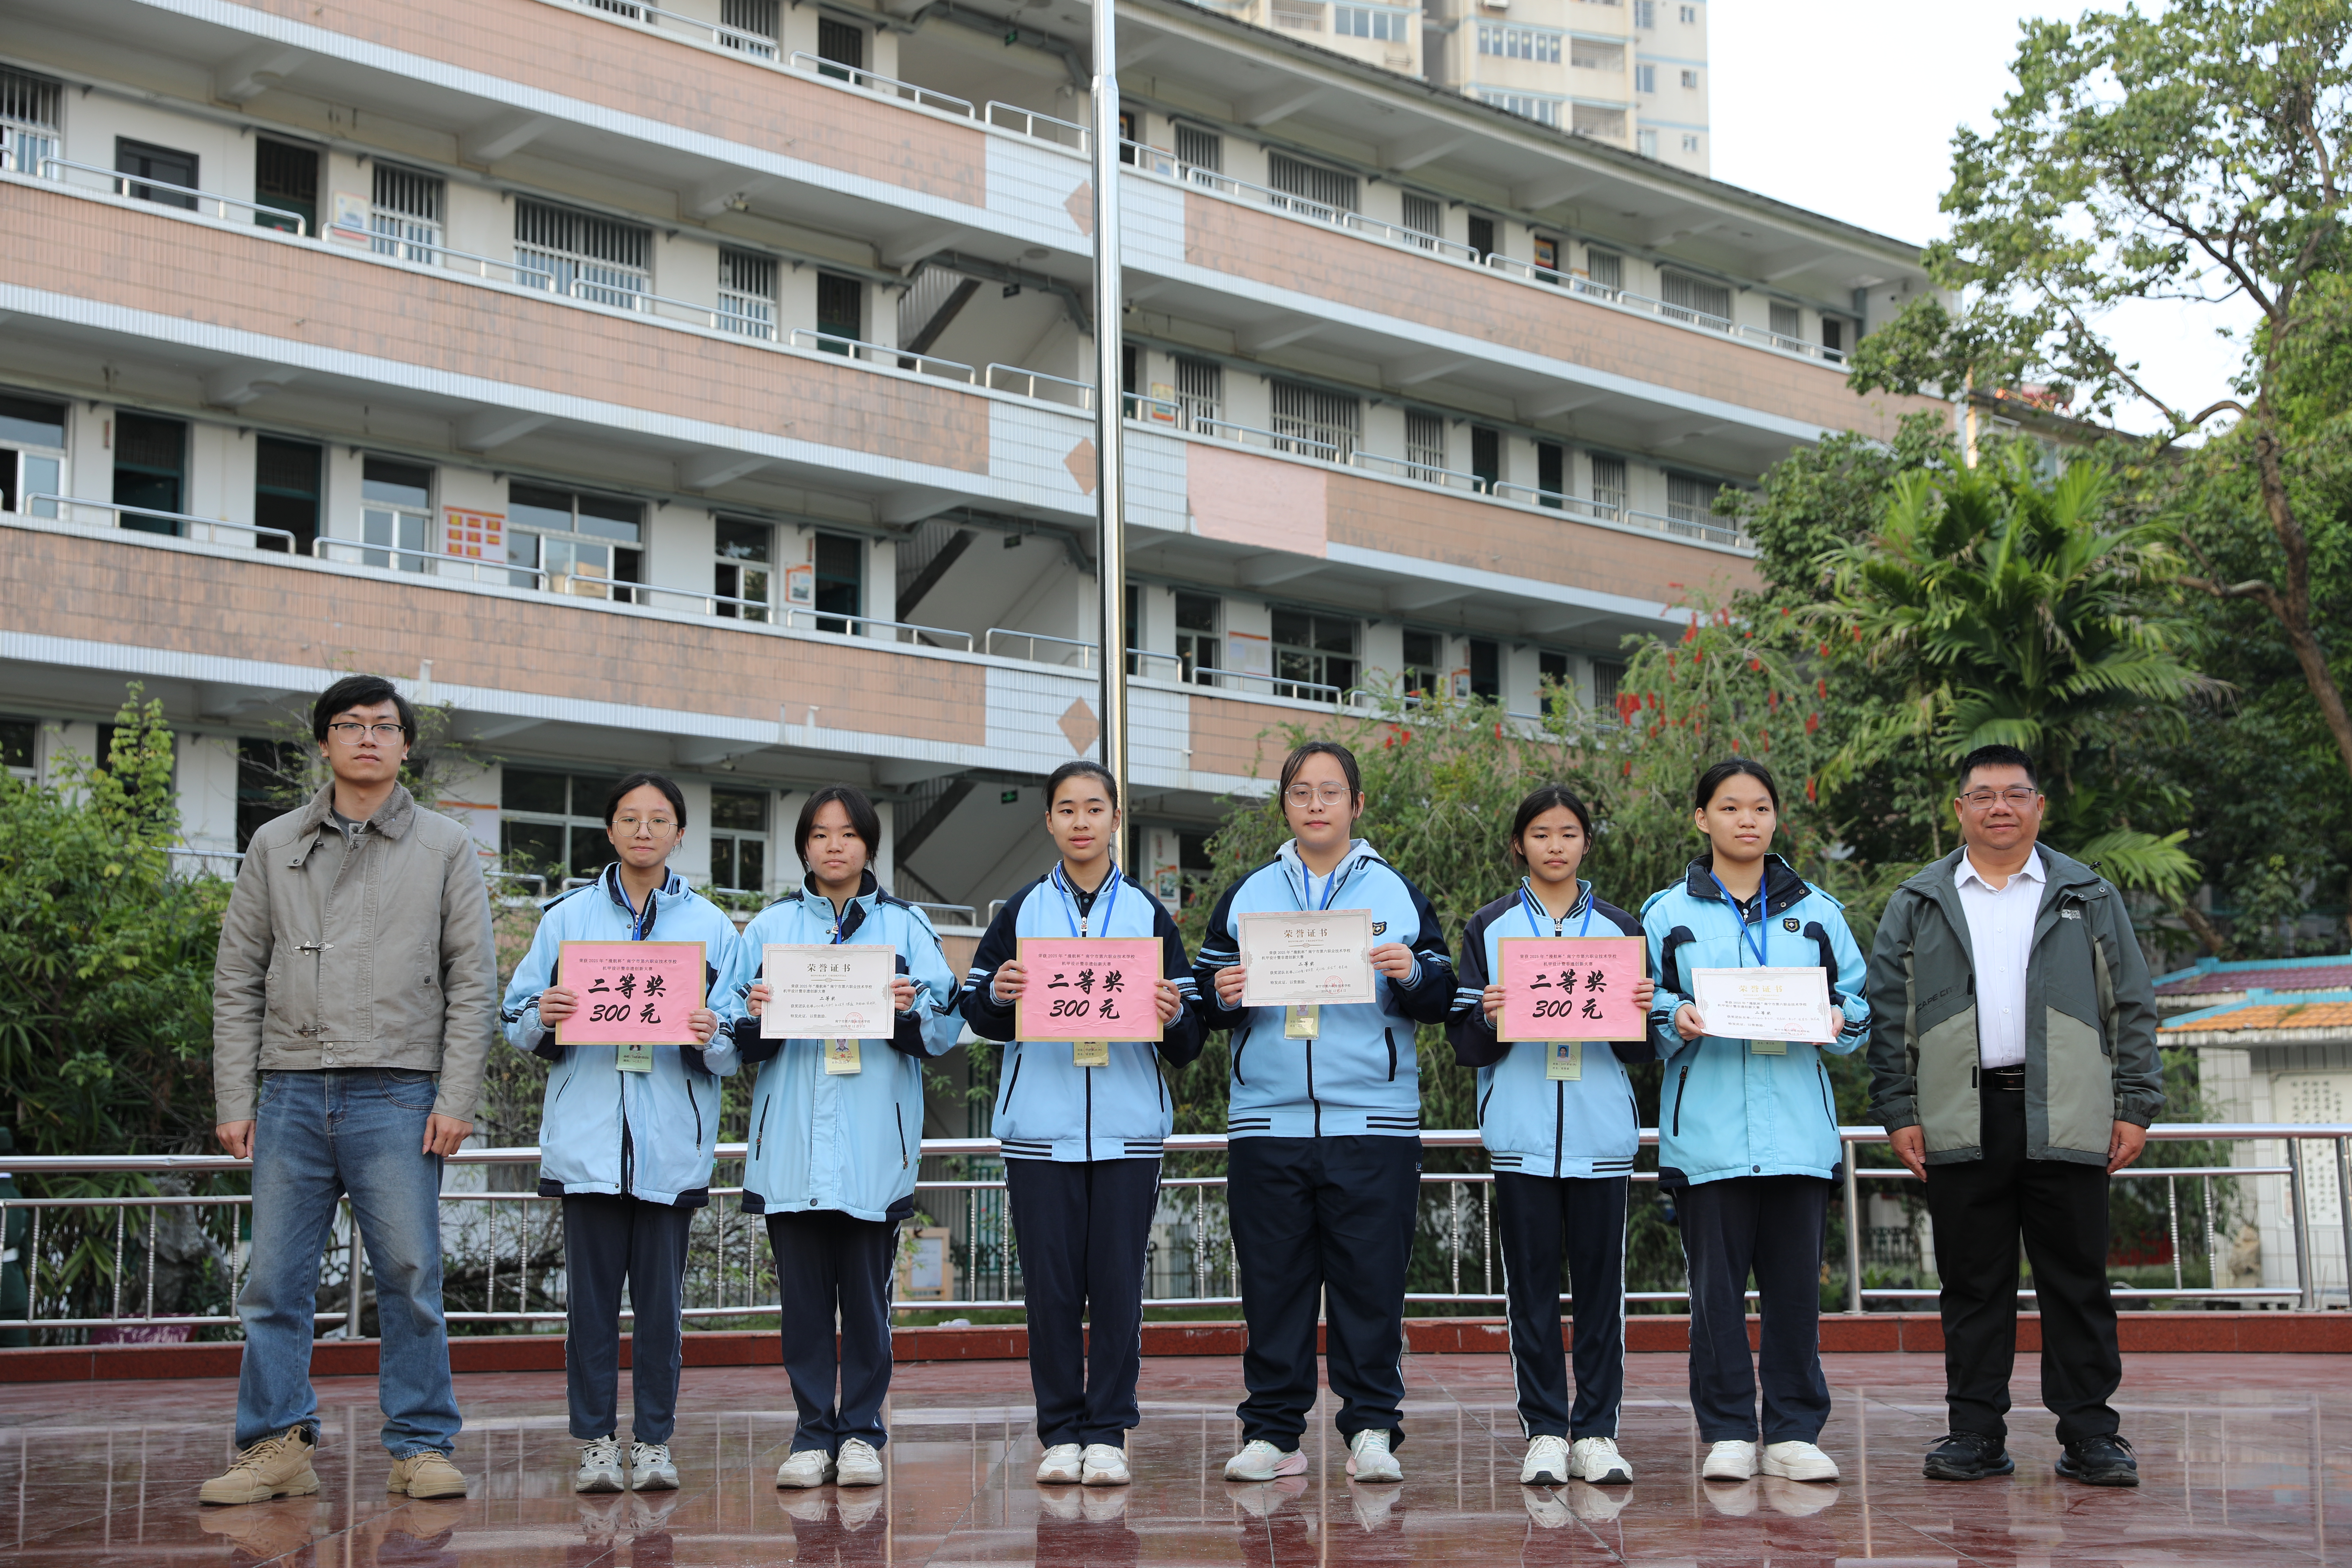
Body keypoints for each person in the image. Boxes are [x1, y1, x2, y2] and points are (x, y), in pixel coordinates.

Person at [204, 673, 496, 1505]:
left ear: (406, 744)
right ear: (325, 742)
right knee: (274, 1280)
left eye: (384, 725)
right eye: (349, 725)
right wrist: (234, 1094)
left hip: (399, 1091)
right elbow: (238, 976)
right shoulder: (274, 842)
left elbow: (472, 980)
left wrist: (457, 1096)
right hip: (291, 1091)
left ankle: (419, 1443)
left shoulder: (444, 845)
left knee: (410, 1271)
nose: (367, 738)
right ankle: (274, 1443)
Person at [1865, 744, 2162, 1488]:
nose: (2001, 806)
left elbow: (2131, 1003)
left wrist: (2135, 1104)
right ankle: (1974, 1431)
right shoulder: (1920, 899)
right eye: (1984, 794)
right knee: (1972, 1283)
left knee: (2078, 1279)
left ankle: (2092, 1433)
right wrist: (1899, 1109)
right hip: (1961, 1115)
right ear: (1960, 808)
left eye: (2016, 793)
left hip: (2067, 1112)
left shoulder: (2087, 893)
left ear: (2039, 806)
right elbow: (1889, 1012)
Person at [1195, 740, 1456, 1485]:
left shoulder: (1395, 894)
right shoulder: (1248, 895)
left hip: (1371, 1121)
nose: (1317, 804)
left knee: (1369, 1282)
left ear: (1357, 805)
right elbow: (1201, 999)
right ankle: (1274, 1432)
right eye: (1303, 791)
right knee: (1272, 1283)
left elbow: (1443, 996)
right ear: (1285, 803)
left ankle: (1372, 1425)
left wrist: (1410, 970)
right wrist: (1224, 993)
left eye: (1331, 791)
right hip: (1266, 1123)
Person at [962, 761, 1206, 1488]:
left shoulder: (1147, 915)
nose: (1079, 820)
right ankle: (1060, 1429)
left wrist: (1173, 1013)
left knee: (1118, 1284)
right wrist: (1002, 995)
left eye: (1093, 807)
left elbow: (1190, 1041)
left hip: (1129, 1132)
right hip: (1040, 1130)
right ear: (1048, 821)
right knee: (1053, 1290)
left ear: (1114, 819)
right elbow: (976, 1010)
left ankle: (1108, 1429)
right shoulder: (1018, 912)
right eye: (1065, 808)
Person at [501, 771, 742, 1494]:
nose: (644, 830)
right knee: (592, 1309)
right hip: (588, 1149)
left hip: (671, 1147)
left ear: (679, 834)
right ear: (608, 830)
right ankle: (596, 1443)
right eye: (630, 818)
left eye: (659, 818)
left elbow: (738, 1044)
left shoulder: (713, 926)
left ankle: (657, 1442)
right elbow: (514, 1021)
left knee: (664, 1310)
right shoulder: (567, 919)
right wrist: (543, 1011)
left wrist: (712, 1033)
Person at [722, 785, 962, 1490]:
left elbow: (947, 1026)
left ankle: (861, 1430)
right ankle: (808, 1432)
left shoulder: (906, 924)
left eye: (849, 833)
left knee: (865, 1300)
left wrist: (909, 1007)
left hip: (872, 1150)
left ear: (869, 845)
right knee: (801, 1303)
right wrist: (756, 1012)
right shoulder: (767, 930)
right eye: (821, 833)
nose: (835, 845)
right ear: (803, 845)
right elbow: (723, 1033)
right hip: (791, 1149)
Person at [1641, 758, 1868, 1485]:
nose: (1748, 820)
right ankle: (1730, 1428)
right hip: (1707, 1136)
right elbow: (1635, 1005)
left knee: (1797, 1291)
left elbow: (1863, 1004)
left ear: (1776, 819)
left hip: (1799, 1135)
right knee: (1715, 1294)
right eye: (1730, 807)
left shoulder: (1819, 911)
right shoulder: (1665, 912)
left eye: (1761, 807)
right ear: (1701, 818)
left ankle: (1796, 1428)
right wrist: (1673, 1016)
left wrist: (1841, 1017)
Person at [1448, 784, 1654, 1489]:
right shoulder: (1490, 925)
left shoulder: (1622, 929)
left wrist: (1641, 1012)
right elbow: (1469, 1047)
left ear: (1586, 842)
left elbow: (1638, 1053)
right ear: (1519, 844)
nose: (1556, 845)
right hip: (1523, 1136)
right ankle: (1543, 1428)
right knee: (1531, 1292)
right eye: (1541, 833)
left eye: (1569, 832)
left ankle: (1596, 1430)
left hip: (1601, 1137)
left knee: (1601, 1293)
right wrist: (1489, 1012)